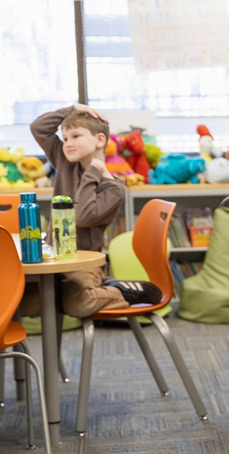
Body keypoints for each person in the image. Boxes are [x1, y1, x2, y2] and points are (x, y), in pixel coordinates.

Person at [26, 104, 161, 318]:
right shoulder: (64, 163)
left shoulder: (114, 187)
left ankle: (122, 291)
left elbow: (82, 217)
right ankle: (75, 294)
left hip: (84, 261)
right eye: (65, 138)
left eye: (75, 136)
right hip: (54, 258)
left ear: (99, 140)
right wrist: (72, 109)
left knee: (79, 305)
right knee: (27, 304)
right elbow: (38, 128)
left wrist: (91, 173)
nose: (67, 143)